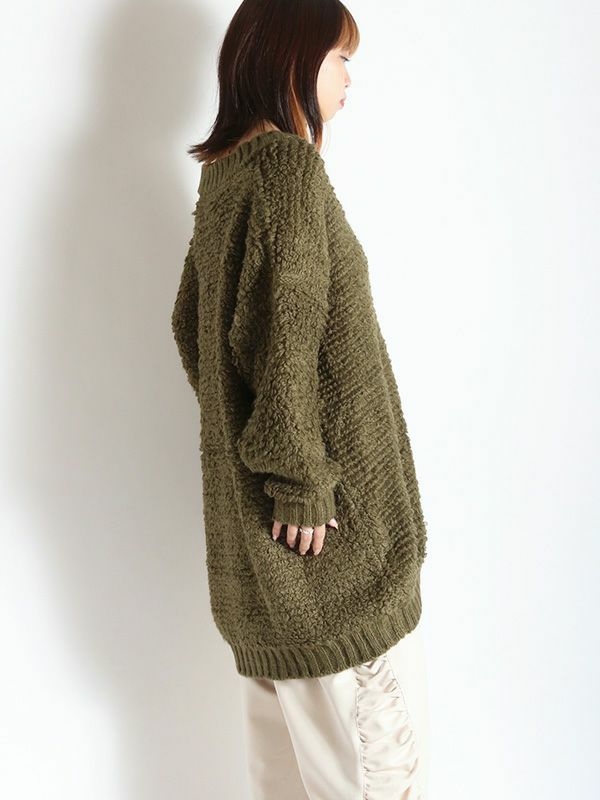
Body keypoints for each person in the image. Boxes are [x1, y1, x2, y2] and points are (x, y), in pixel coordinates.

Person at [171, 0, 430, 796]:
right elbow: (284, 331)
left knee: (287, 781)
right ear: (290, 57)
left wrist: (255, 454)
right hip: (329, 561)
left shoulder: (224, 177)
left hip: (262, 570)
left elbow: (192, 329)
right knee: (379, 777)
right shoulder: (285, 169)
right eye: (340, 57)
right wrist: (298, 480)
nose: (349, 77)